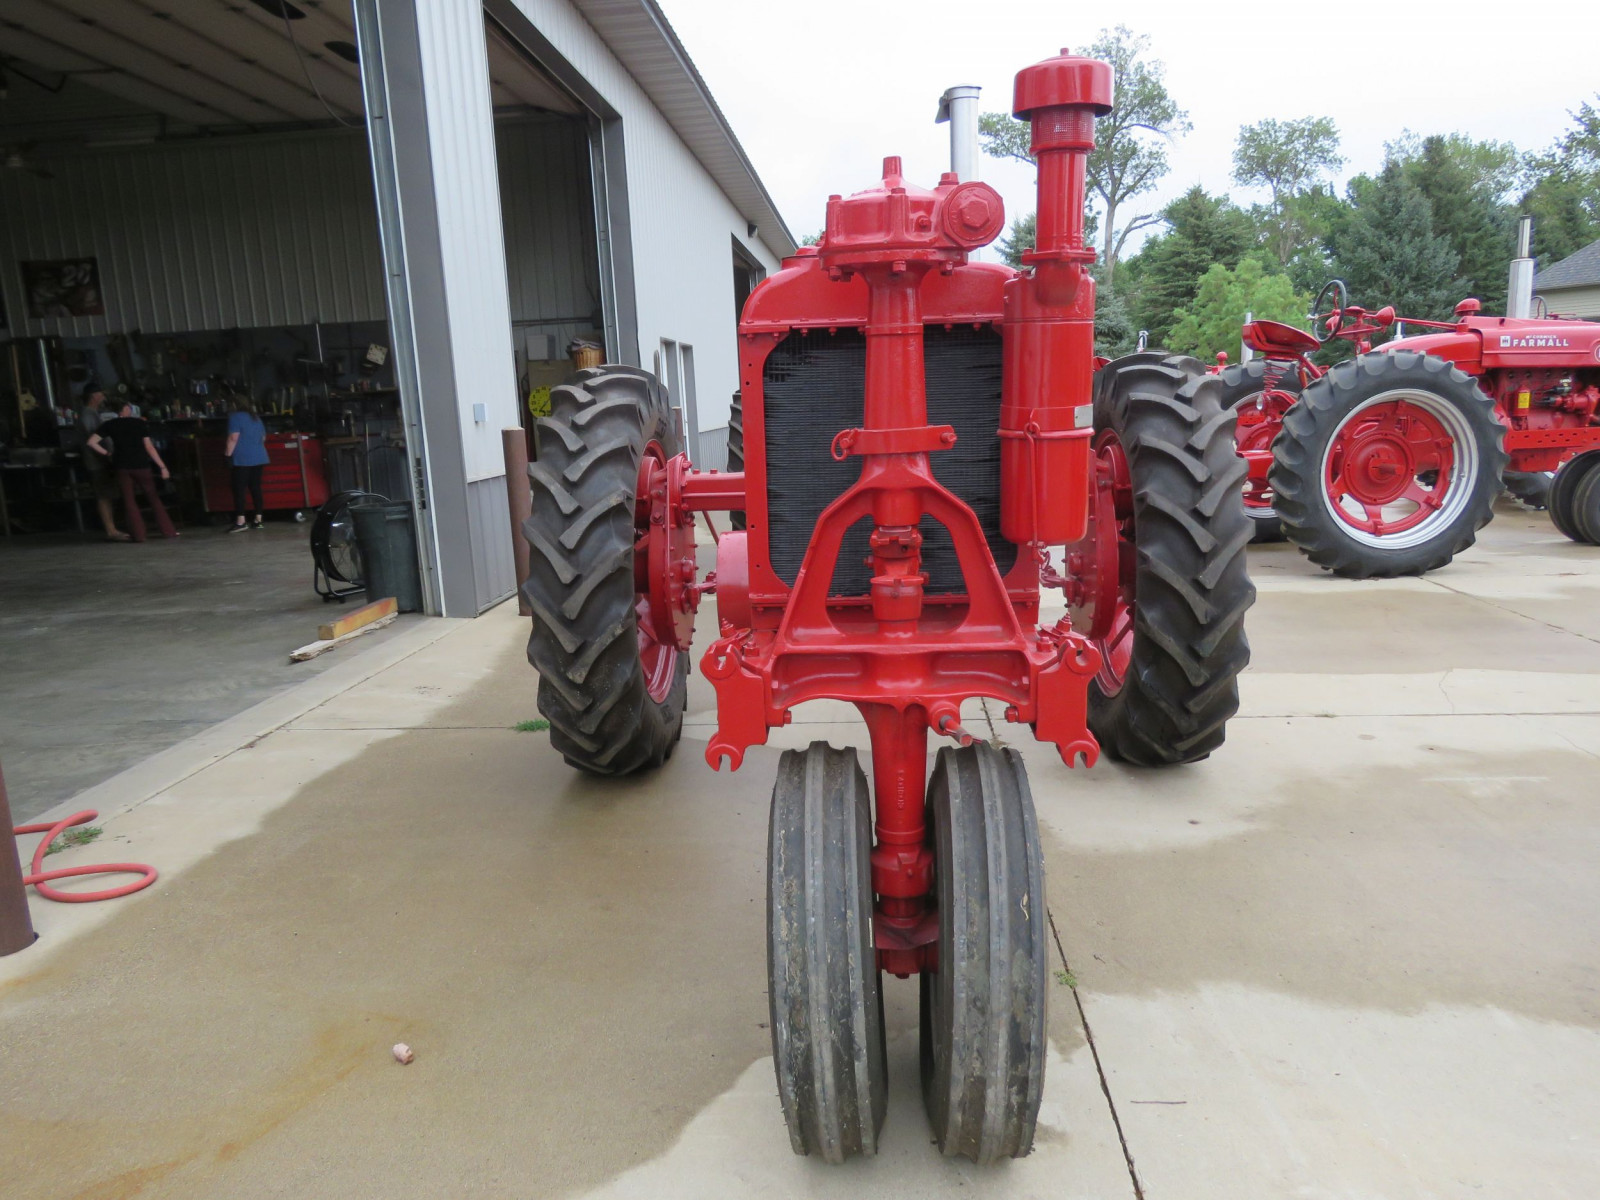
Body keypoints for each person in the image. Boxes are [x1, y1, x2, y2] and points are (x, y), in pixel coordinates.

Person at [87, 400, 178, 542]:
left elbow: (91, 442)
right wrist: (162, 466)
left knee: (129, 501)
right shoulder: (139, 423)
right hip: (141, 464)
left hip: (121, 465)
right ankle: (168, 531)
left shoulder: (109, 425)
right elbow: (149, 447)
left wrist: (107, 454)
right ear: (126, 409)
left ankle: (139, 535)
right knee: (153, 497)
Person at [77, 388, 129, 542]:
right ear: (94, 396)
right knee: (104, 495)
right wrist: (107, 453)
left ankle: (113, 528)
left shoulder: (92, 413)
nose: (103, 397)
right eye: (101, 394)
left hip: (101, 461)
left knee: (107, 494)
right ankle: (111, 530)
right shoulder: (88, 414)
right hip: (97, 462)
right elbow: (94, 437)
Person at [224, 398, 270, 532]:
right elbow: (263, 438)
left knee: (239, 489)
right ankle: (258, 520)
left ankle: (241, 521)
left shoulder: (234, 417)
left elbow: (233, 438)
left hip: (242, 459)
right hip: (260, 457)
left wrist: (227, 455)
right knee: (255, 488)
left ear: (234, 404)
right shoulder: (255, 417)